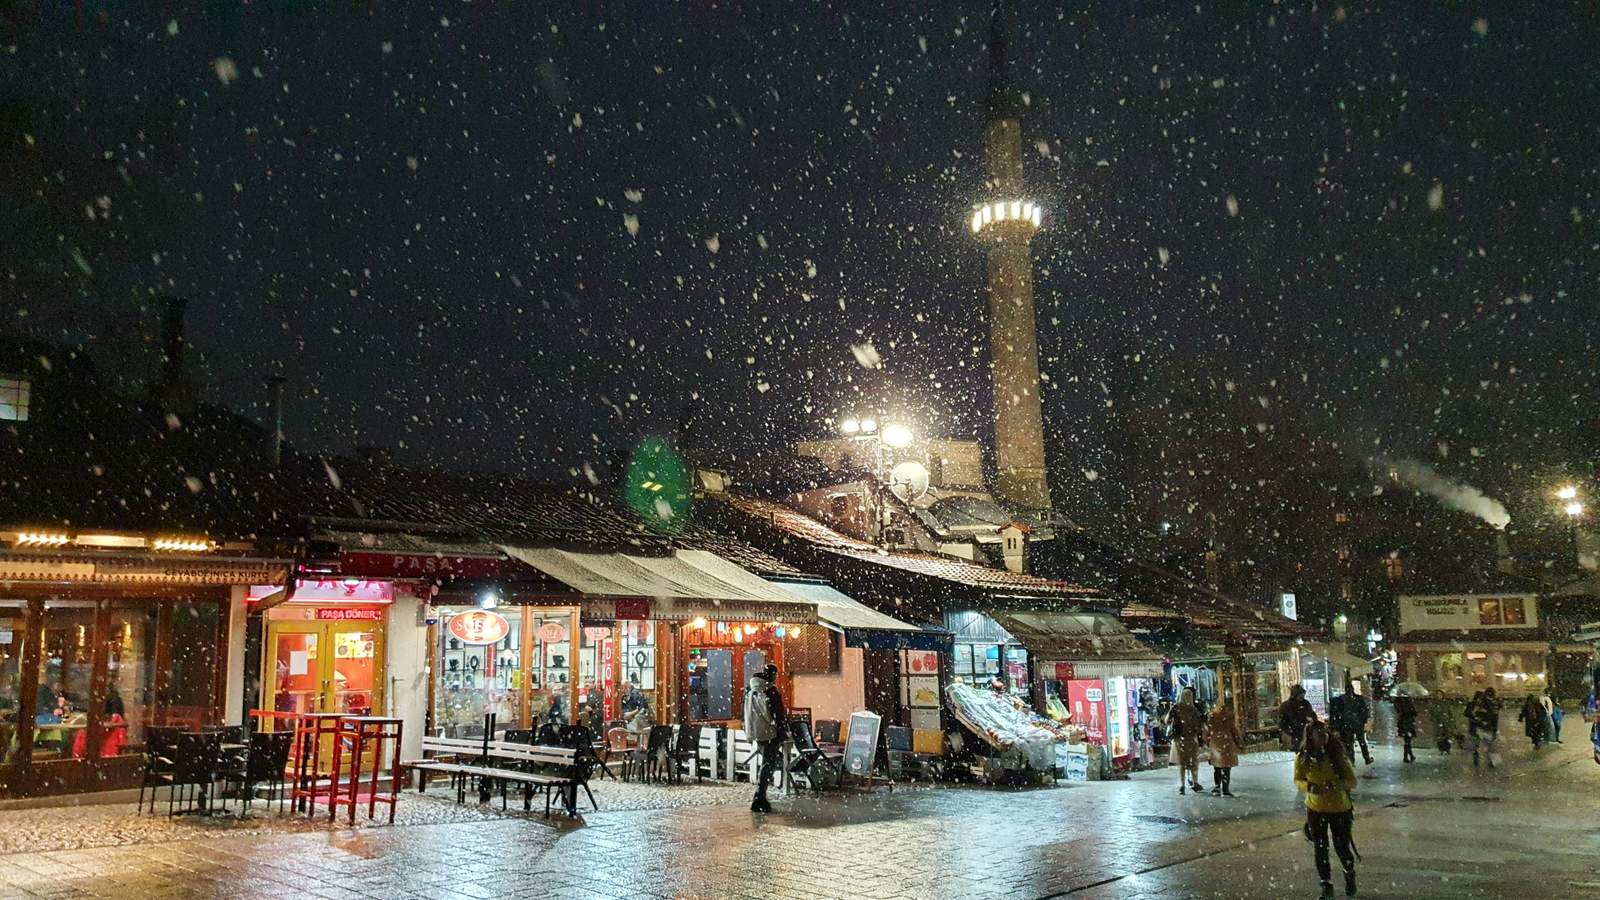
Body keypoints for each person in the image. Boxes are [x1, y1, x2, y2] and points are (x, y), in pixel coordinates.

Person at [1295, 720, 1360, 897]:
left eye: (1325, 733)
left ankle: (1349, 873)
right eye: (1319, 734)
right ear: (1310, 737)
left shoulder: (1336, 755)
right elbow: (1298, 779)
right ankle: (1326, 884)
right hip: (1315, 809)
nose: (1324, 737)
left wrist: (1334, 786)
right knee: (1320, 848)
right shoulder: (1303, 757)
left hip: (1340, 809)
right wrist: (1309, 787)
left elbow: (1352, 781)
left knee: (1341, 847)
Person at [743, 663, 786, 813]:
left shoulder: (750, 690)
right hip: (770, 732)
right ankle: (759, 797)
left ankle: (760, 795)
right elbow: (778, 714)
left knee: (768, 762)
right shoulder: (770, 691)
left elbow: (746, 713)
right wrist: (782, 730)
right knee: (769, 763)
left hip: (757, 731)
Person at [1166, 687, 1206, 795]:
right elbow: (1199, 725)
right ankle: (1195, 783)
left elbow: (1167, 720)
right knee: (1193, 762)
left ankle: (1182, 785)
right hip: (1191, 738)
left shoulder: (1176, 707)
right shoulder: (1194, 709)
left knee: (1182, 763)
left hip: (1179, 739)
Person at [1328, 679, 1372, 766]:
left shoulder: (1341, 699)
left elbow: (1338, 711)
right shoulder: (1358, 699)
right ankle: (1366, 758)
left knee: (1349, 744)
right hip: (1357, 724)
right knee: (1361, 742)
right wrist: (1363, 720)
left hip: (1346, 724)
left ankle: (1351, 761)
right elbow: (1364, 711)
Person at [1207, 701, 1242, 796]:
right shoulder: (1229, 716)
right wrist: (1239, 743)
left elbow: (1208, 731)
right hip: (1227, 744)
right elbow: (1234, 730)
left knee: (1217, 767)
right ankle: (1225, 789)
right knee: (1227, 768)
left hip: (1215, 743)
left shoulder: (1212, 716)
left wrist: (1207, 740)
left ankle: (1217, 787)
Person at [1467, 688, 1500, 769]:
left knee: (1488, 746)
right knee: (1480, 745)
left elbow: (1494, 717)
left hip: (1485, 728)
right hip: (1479, 728)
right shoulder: (1474, 704)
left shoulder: (1490, 704)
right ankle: (1480, 759)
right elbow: (1468, 713)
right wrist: (1478, 720)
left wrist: (1493, 729)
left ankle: (1489, 761)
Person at [1279, 684, 1317, 752]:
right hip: (1295, 734)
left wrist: (1312, 721)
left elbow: (1312, 715)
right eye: (1300, 695)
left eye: (1303, 694)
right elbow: (1282, 722)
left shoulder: (1306, 703)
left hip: (1308, 733)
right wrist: (1290, 732)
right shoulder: (1286, 706)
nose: (1302, 696)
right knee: (1299, 752)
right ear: (1295, 695)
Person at [1393, 694, 1418, 763]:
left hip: (1404, 723)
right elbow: (1413, 713)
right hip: (1406, 723)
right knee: (1407, 741)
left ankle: (1409, 756)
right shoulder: (1405, 703)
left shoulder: (1399, 702)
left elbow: (1400, 711)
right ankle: (1407, 757)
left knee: (1407, 741)